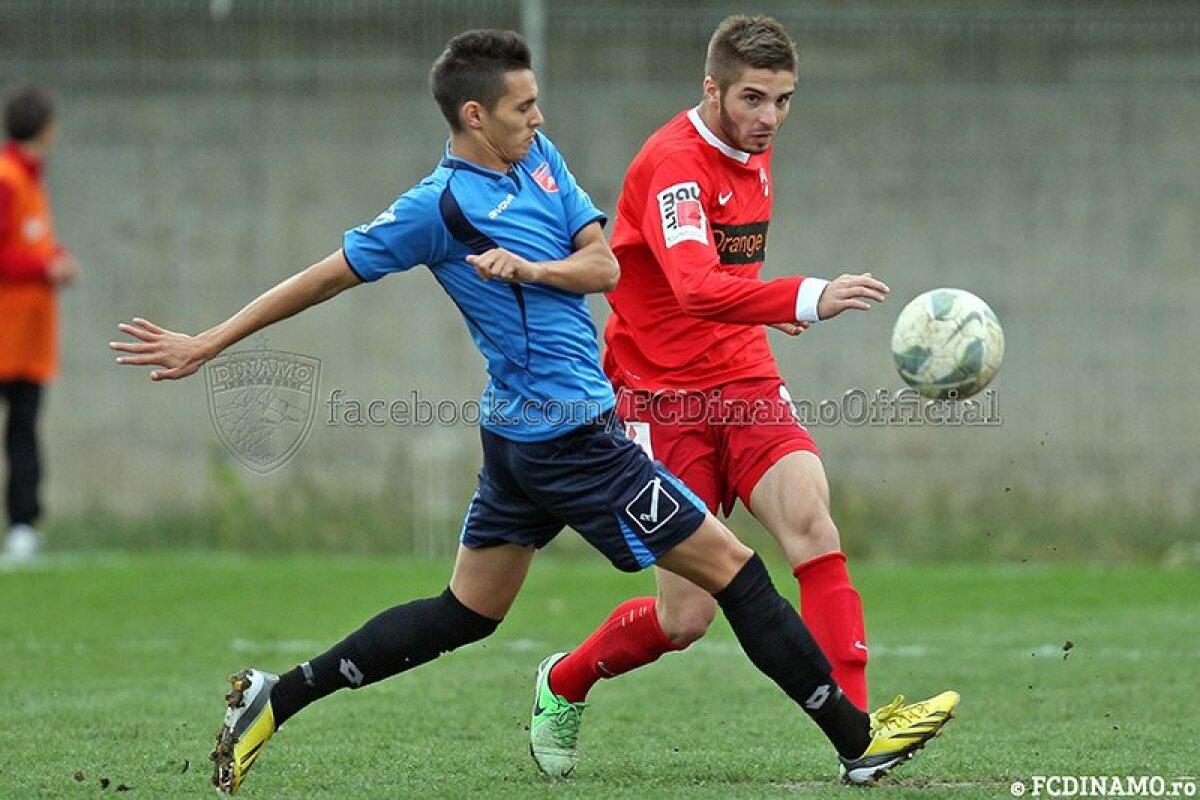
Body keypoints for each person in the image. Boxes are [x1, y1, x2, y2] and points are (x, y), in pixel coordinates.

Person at [111, 29, 956, 796]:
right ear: (474, 115)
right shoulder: (435, 208)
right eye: (522, 106)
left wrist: (536, 270)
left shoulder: (542, 160)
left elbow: (604, 268)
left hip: (520, 436)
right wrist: (211, 341)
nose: (539, 115)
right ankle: (857, 740)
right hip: (569, 439)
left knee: (465, 614)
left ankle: (276, 696)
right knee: (734, 569)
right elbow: (328, 274)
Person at [530, 13, 902, 776]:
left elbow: (719, 284)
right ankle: (563, 681)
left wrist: (764, 312)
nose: (769, 118)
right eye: (753, 99)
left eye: (784, 100)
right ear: (713, 89)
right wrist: (805, 297)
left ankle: (864, 740)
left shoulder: (753, 149)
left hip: (745, 378)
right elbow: (698, 288)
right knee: (685, 618)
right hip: (662, 400)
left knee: (811, 525)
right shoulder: (674, 164)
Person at [0, 85, 78, 562]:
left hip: (27, 340)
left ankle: (23, 527)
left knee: (24, 431)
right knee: (21, 431)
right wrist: (45, 267)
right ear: (45, 127)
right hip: (5, 335)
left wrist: (54, 258)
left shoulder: (31, 179)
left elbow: (24, 246)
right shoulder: (7, 179)